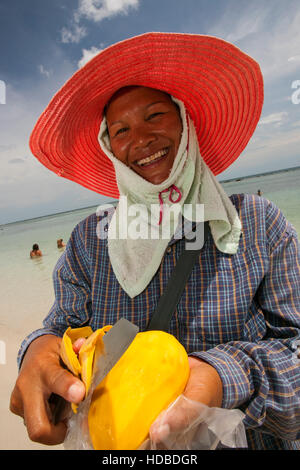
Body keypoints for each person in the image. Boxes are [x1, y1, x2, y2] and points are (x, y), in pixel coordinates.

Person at [10, 33, 300, 449]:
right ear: (111, 149)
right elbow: (60, 332)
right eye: (121, 129)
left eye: (155, 116)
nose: (140, 139)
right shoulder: (90, 242)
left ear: (186, 123)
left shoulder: (257, 224)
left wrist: (222, 378)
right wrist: (36, 350)